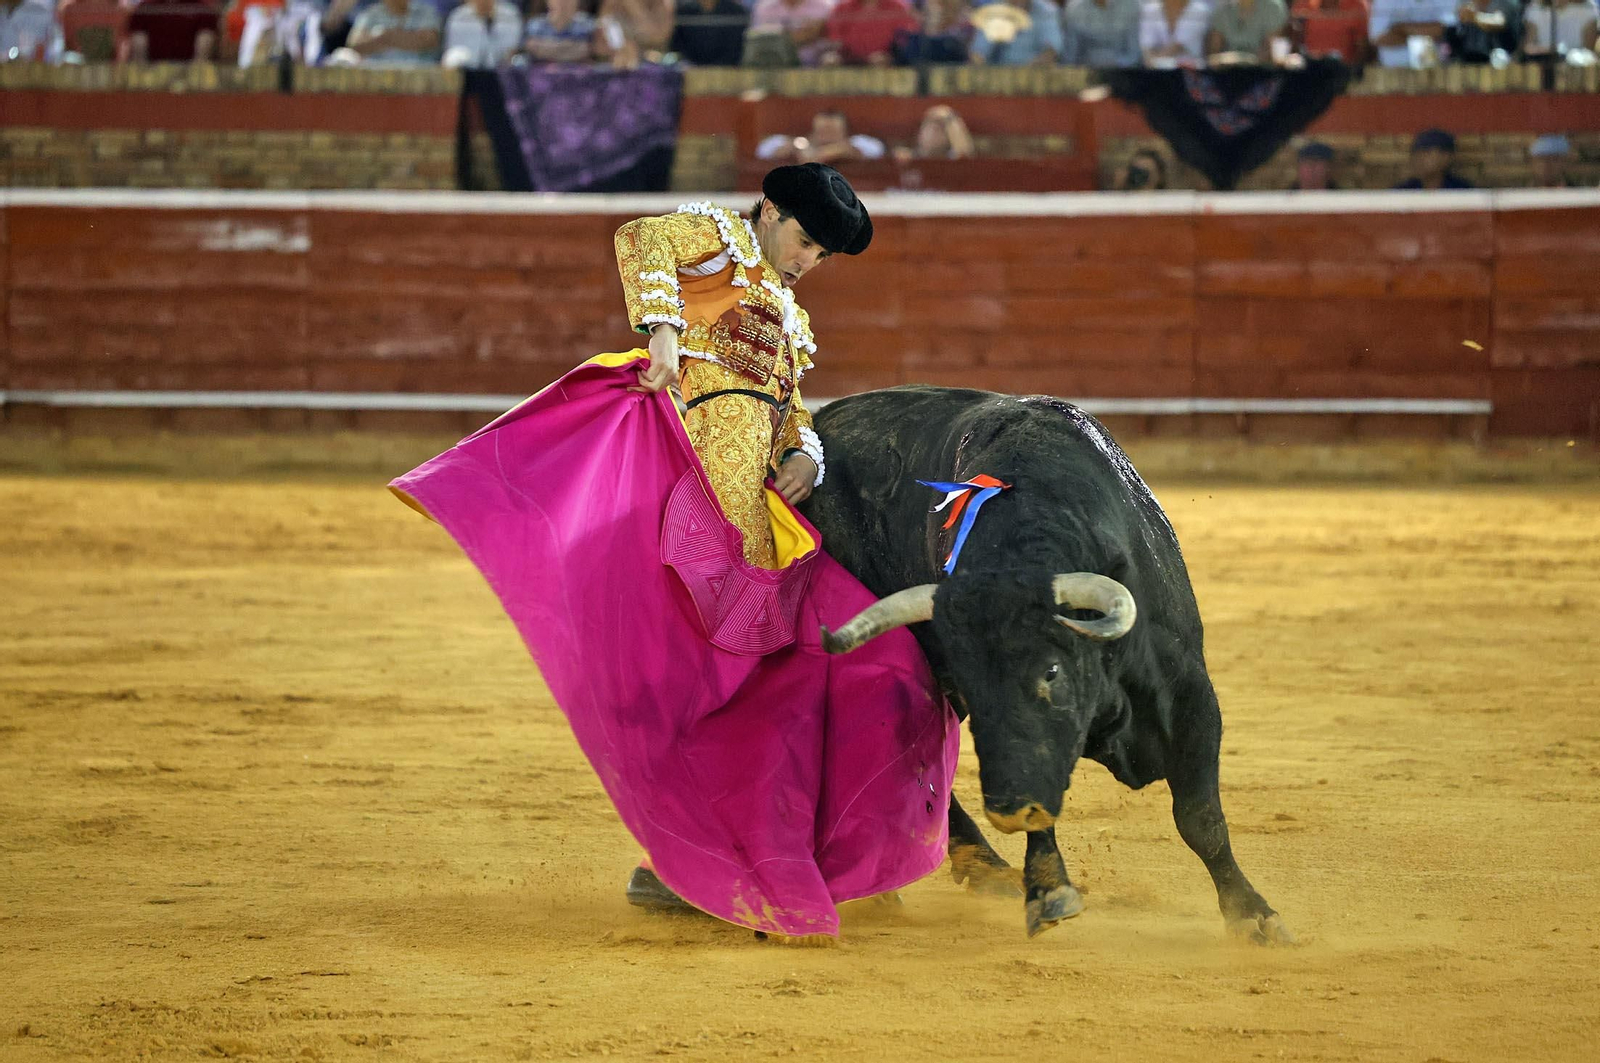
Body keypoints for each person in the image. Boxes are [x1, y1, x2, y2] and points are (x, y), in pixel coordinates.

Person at [756, 109, 888, 164]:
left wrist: (833, 152)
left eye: (831, 131)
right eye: (822, 131)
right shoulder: (799, 142)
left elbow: (877, 150)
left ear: (844, 132)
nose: (826, 135)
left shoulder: (858, 142)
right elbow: (762, 150)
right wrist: (795, 146)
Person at [346, 0, 441, 64]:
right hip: (378, 76)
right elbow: (354, 44)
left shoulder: (425, 11)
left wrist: (385, 36)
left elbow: (429, 40)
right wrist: (403, 37)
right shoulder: (371, 13)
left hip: (419, 79)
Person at [969, 0, 1063, 63]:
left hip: (1034, 79)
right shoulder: (993, 10)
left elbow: (1052, 50)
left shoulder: (1046, 11)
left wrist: (1027, 73)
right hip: (996, 80)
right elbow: (977, 55)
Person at [442, 0, 523, 66]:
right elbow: (452, 50)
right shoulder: (458, 16)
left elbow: (513, 47)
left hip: (502, 72)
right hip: (467, 72)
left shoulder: (510, 15)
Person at [1062, 0, 1143, 65]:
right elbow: (1070, 56)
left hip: (1124, 73)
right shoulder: (1074, 8)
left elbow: (1134, 54)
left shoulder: (1131, 5)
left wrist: (1116, 62)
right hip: (1084, 73)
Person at [1203, 0, 1289, 59]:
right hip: (1225, 73)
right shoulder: (1222, 8)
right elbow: (1213, 52)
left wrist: (1244, 61)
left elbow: (1270, 52)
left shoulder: (1273, 7)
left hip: (1261, 73)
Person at [1289, 0, 1370, 62]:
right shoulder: (1303, 4)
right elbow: (1292, 43)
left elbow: (1362, 48)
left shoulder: (1357, 5)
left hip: (1343, 74)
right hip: (1308, 70)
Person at [670, 0, 748, 64]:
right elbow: (678, 45)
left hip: (728, 72)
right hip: (691, 72)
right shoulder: (684, 11)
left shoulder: (736, 12)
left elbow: (737, 47)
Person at [1394, 127, 1473, 188]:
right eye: (1416, 153)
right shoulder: (1403, 191)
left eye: (1426, 152)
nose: (1419, 158)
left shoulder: (1463, 191)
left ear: (1446, 157)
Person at [1443, 0, 1517, 62]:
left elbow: (1499, 22)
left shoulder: (1503, 3)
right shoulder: (1465, 3)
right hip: (1467, 61)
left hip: (1498, 62)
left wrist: (1475, 17)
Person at [526, 0, 600, 61]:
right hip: (542, 74)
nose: (563, 3)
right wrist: (574, 47)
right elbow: (532, 49)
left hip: (580, 74)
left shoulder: (588, 24)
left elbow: (593, 49)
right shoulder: (535, 24)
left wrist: (547, 47)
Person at [1139, 0, 1212, 61]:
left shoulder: (1201, 11)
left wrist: (1155, 62)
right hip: (1156, 74)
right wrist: (1151, 64)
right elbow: (1147, 48)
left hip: (1191, 73)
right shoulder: (1149, 10)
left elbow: (1178, 46)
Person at [1522, 0, 1599, 55]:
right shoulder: (1535, 8)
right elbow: (1528, 47)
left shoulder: (1588, 9)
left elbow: (1589, 54)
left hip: (1577, 73)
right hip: (1543, 70)